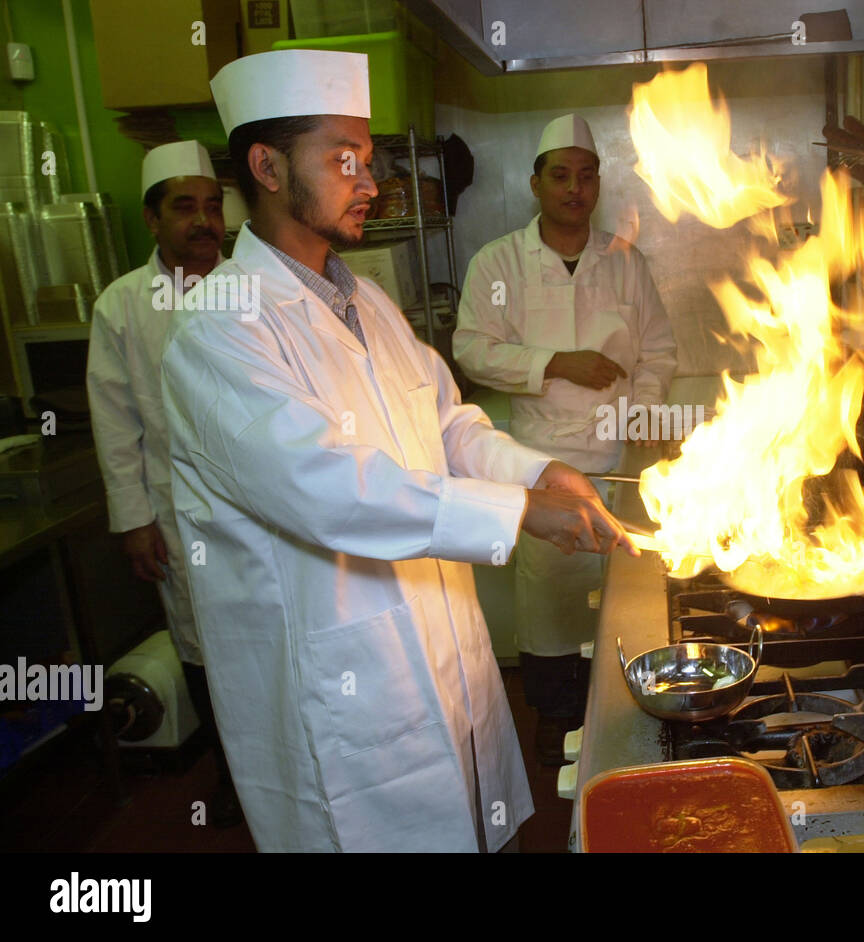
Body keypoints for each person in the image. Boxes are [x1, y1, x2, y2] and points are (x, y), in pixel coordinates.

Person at [160, 49, 633, 852]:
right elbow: (326, 489)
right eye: (344, 158)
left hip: (443, 651)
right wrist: (521, 512)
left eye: (368, 157)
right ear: (268, 166)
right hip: (343, 692)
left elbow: (448, 424)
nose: (372, 181)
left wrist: (539, 470)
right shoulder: (219, 329)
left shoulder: (365, 298)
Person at [453, 114, 677, 764]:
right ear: (536, 183)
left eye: (586, 177)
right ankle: (554, 723)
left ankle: (624, 722)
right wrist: (554, 362)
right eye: (560, 176)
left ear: (597, 185)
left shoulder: (625, 262)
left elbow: (659, 350)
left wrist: (645, 409)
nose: (574, 189)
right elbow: (471, 350)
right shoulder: (499, 263)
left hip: (621, 462)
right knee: (552, 608)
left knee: (625, 607)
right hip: (543, 465)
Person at [85, 140, 242, 827]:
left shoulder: (256, 286)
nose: (205, 221)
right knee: (203, 649)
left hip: (261, 511)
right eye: (186, 207)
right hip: (180, 516)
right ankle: (233, 775)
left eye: (214, 207)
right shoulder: (121, 306)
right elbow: (115, 422)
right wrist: (133, 518)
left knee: (275, 644)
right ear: (152, 219)